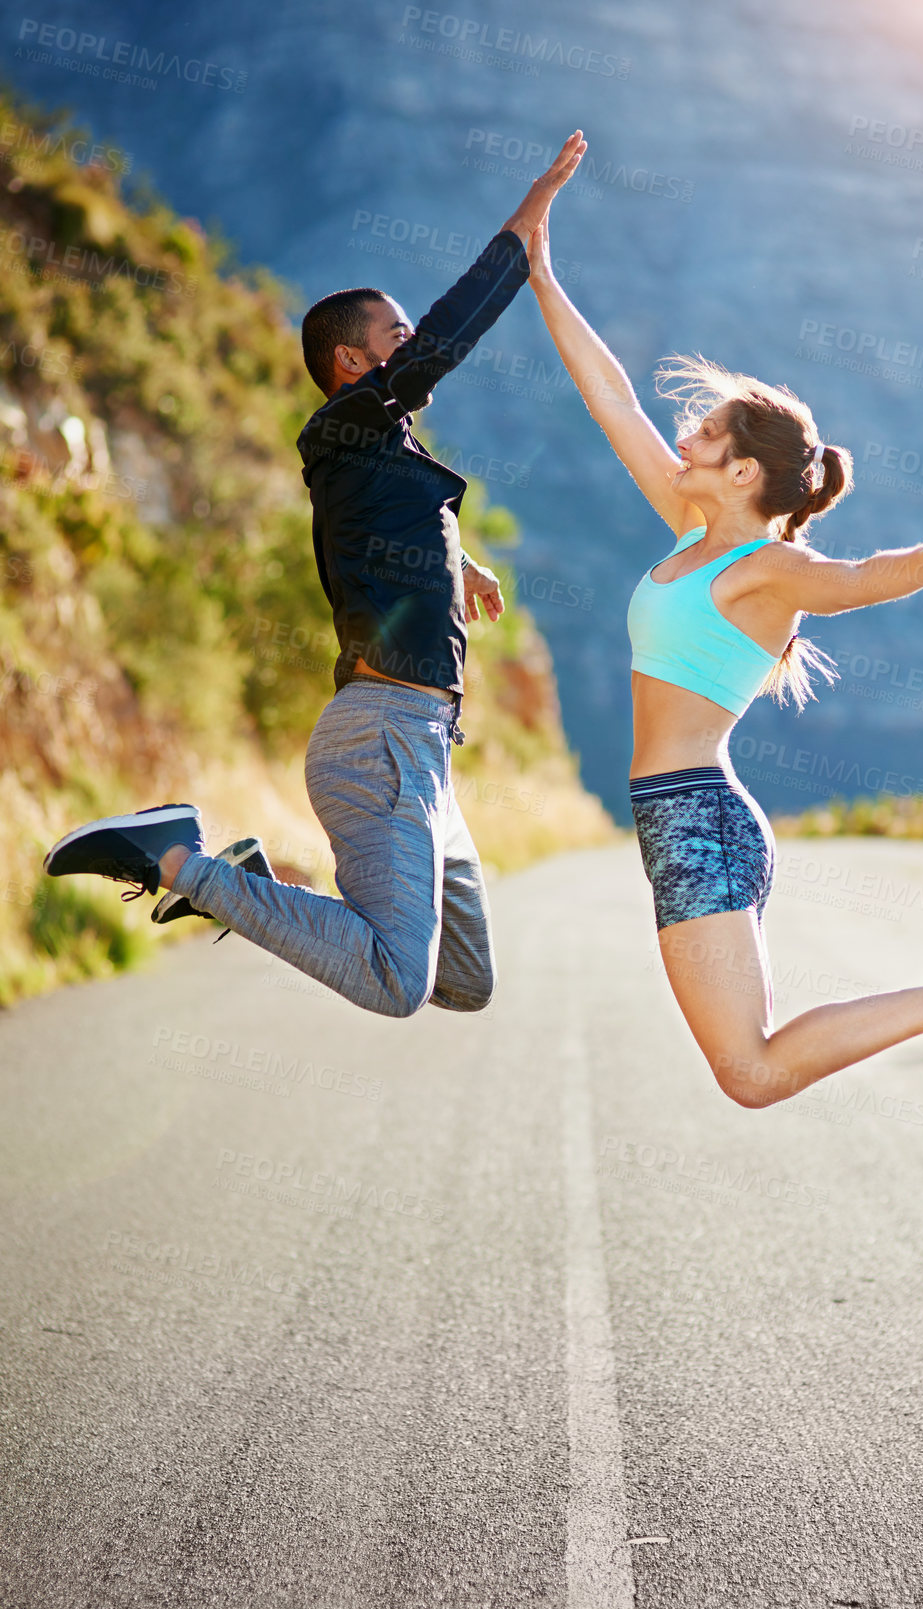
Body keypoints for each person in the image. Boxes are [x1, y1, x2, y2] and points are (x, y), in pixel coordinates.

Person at [524, 212, 923, 1108]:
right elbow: (612, 399)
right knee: (748, 1070)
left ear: (742, 473)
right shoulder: (693, 533)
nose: (683, 441)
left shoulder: (767, 568)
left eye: (705, 433)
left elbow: (857, 580)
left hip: (698, 822)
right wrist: (538, 267)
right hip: (681, 818)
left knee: (751, 1073)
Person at [43, 133, 588, 1019]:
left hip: (424, 755)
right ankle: (174, 859)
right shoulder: (344, 426)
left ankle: (263, 883)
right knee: (392, 983)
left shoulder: (380, 455)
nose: (410, 343)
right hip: (381, 742)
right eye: (394, 334)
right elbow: (446, 339)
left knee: (464, 980)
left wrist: (468, 562)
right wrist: (524, 226)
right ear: (353, 363)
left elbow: (379, 526)